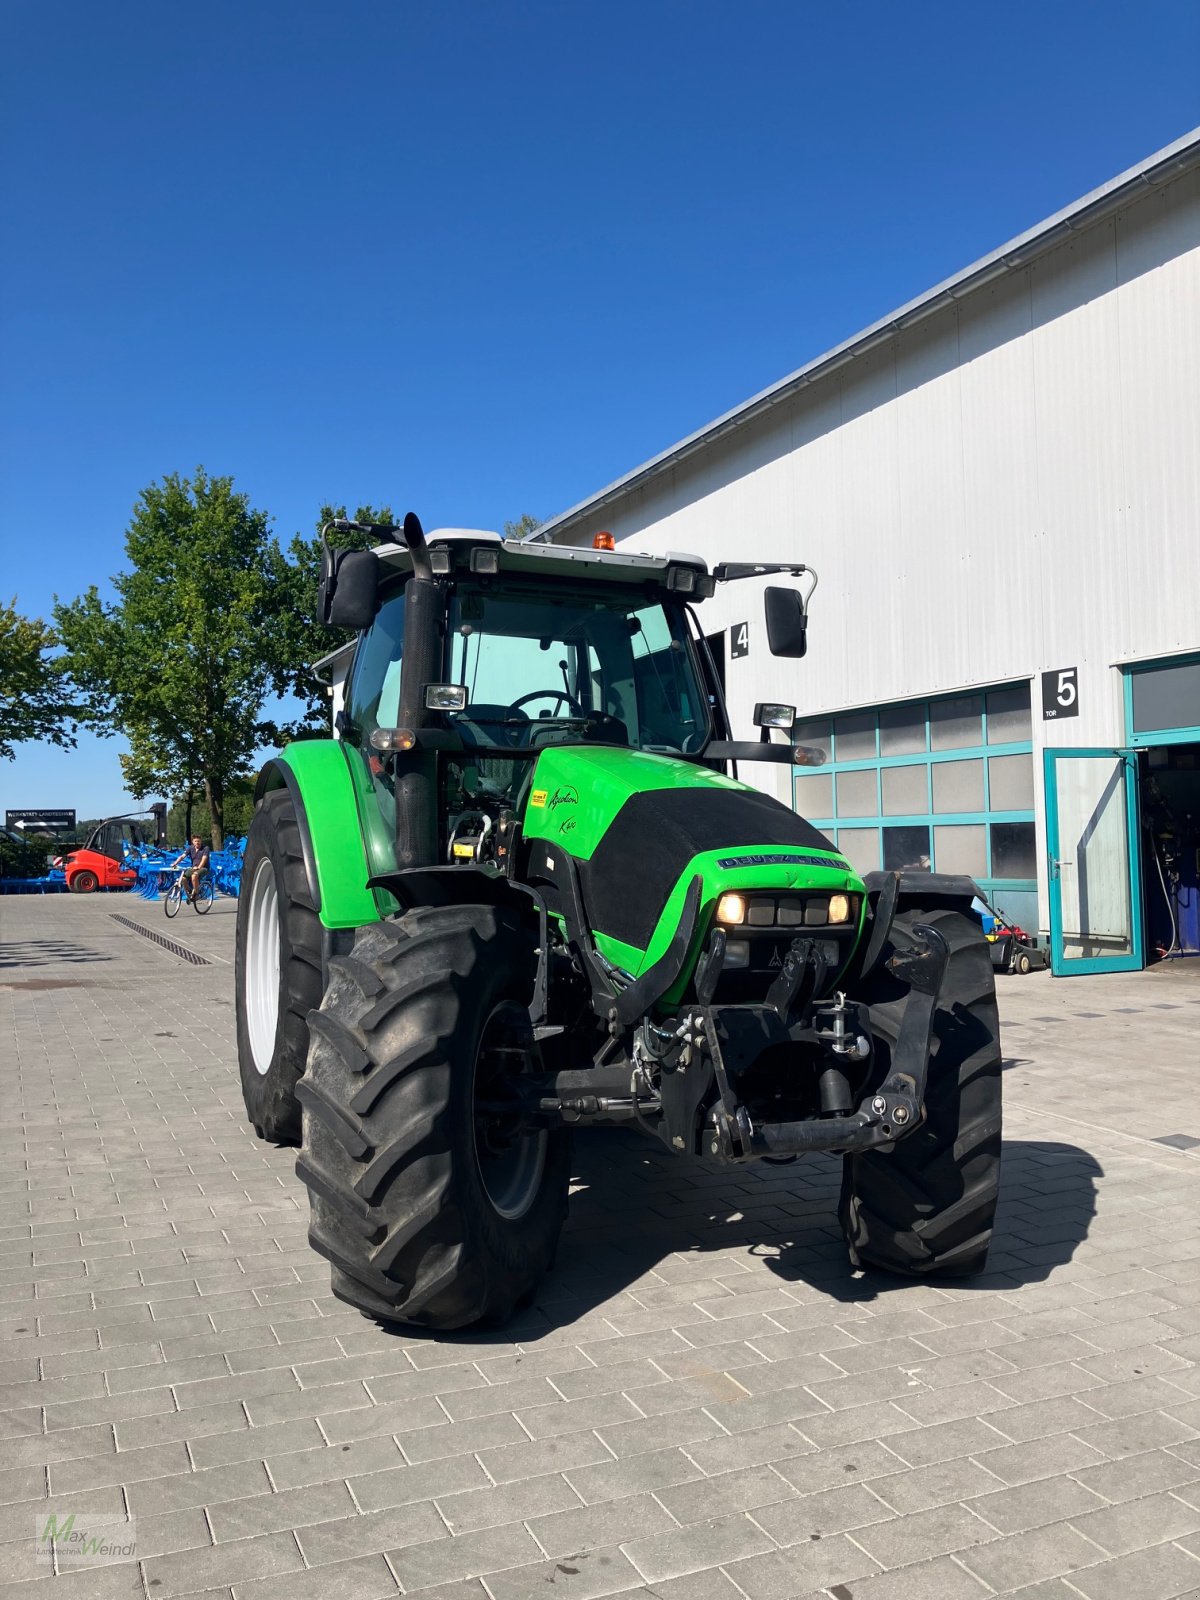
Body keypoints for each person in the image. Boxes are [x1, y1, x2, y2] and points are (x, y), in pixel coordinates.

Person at [172, 835, 210, 902]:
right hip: (193, 867)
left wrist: (199, 867)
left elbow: (204, 859)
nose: (197, 842)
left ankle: (196, 894)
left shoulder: (205, 848)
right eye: (195, 841)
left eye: (198, 841)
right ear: (193, 842)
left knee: (194, 875)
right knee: (183, 878)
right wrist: (175, 863)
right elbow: (182, 856)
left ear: (201, 841)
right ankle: (190, 891)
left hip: (203, 868)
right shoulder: (190, 848)